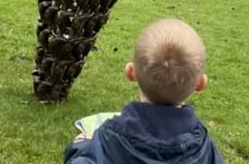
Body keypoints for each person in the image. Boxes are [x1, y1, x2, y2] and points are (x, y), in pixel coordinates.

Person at [64, 18, 224, 164]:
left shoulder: (108, 138)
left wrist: (79, 146)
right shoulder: (205, 149)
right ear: (201, 83)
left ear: (130, 72)